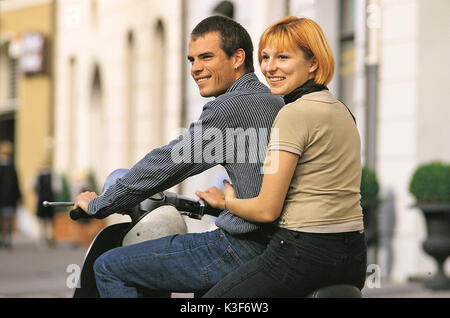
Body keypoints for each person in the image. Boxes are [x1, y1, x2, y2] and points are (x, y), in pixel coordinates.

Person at [73, 15, 284, 297]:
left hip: (241, 246)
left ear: (237, 58)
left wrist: (101, 204)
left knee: (109, 267)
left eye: (206, 57)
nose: (196, 69)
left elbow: (168, 163)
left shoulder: (229, 107)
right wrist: (226, 204)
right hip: (276, 244)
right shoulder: (275, 100)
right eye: (191, 60)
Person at [196, 16, 367, 297]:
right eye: (264, 57)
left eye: (283, 57)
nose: (269, 67)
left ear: (312, 63)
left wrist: (229, 201)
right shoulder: (341, 110)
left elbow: (266, 210)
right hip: (353, 254)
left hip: (304, 253)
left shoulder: (292, 114)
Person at [0, 140, 22, 249]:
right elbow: (16, 183)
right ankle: (7, 238)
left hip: (3, 198)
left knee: (3, 218)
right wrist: (19, 196)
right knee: (8, 218)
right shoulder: (12, 166)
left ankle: (4, 238)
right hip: (9, 197)